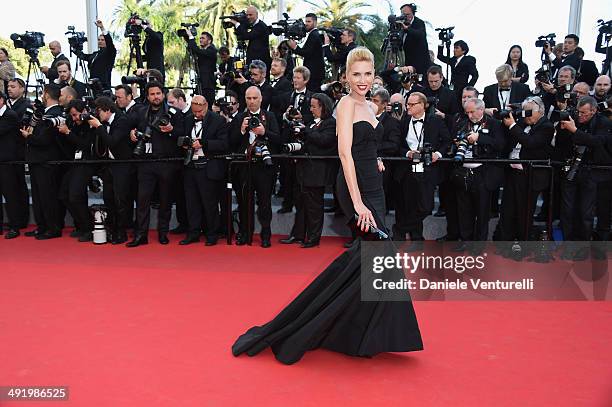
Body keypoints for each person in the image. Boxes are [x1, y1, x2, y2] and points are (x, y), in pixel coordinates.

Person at [232, 47, 423, 365]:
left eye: (367, 74)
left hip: (373, 186)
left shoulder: (369, 106)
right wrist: (359, 203)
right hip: (355, 189)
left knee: (368, 260)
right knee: (380, 254)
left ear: (373, 74)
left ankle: (356, 331)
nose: (362, 80)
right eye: (356, 74)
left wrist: (375, 159)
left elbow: (366, 145)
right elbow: (345, 154)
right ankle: (326, 328)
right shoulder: (347, 105)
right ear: (346, 76)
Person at [287, 13, 325, 91]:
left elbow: (307, 53)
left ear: (315, 22)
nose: (306, 24)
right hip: (313, 72)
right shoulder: (312, 34)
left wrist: (295, 47)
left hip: (314, 73)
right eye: (306, 22)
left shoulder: (314, 35)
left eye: (309, 21)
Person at [75, 19, 117, 90]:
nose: (100, 41)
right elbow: (83, 56)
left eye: (102, 40)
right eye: (99, 40)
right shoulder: (95, 54)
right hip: (93, 86)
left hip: (103, 87)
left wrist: (102, 28)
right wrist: (74, 48)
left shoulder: (110, 52)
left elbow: (109, 42)